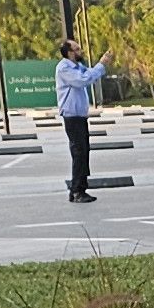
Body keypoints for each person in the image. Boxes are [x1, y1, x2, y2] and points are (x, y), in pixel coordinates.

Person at [53, 43, 97, 202]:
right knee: (79, 152)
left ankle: (78, 189)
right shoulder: (64, 68)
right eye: (77, 49)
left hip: (79, 115)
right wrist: (102, 65)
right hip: (72, 116)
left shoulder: (77, 66)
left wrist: (98, 69)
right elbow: (82, 81)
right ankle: (77, 191)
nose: (81, 51)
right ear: (69, 53)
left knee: (84, 151)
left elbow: (88, 74)